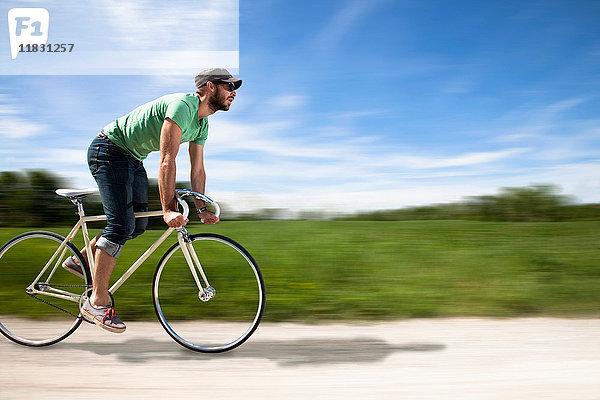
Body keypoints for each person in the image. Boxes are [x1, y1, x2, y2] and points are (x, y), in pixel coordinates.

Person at [62, 68, 241, 333]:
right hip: (108, 149)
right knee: (121, 225)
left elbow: (197, 170)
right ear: (210, 87)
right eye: (229, 86)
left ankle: (81, 261)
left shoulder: (202, 124)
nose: (234, 93)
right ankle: (96, 302)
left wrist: (201, 207)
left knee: (137, 225)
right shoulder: (182, 106)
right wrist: (168, 209)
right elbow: (168, 159)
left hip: (131, 157)